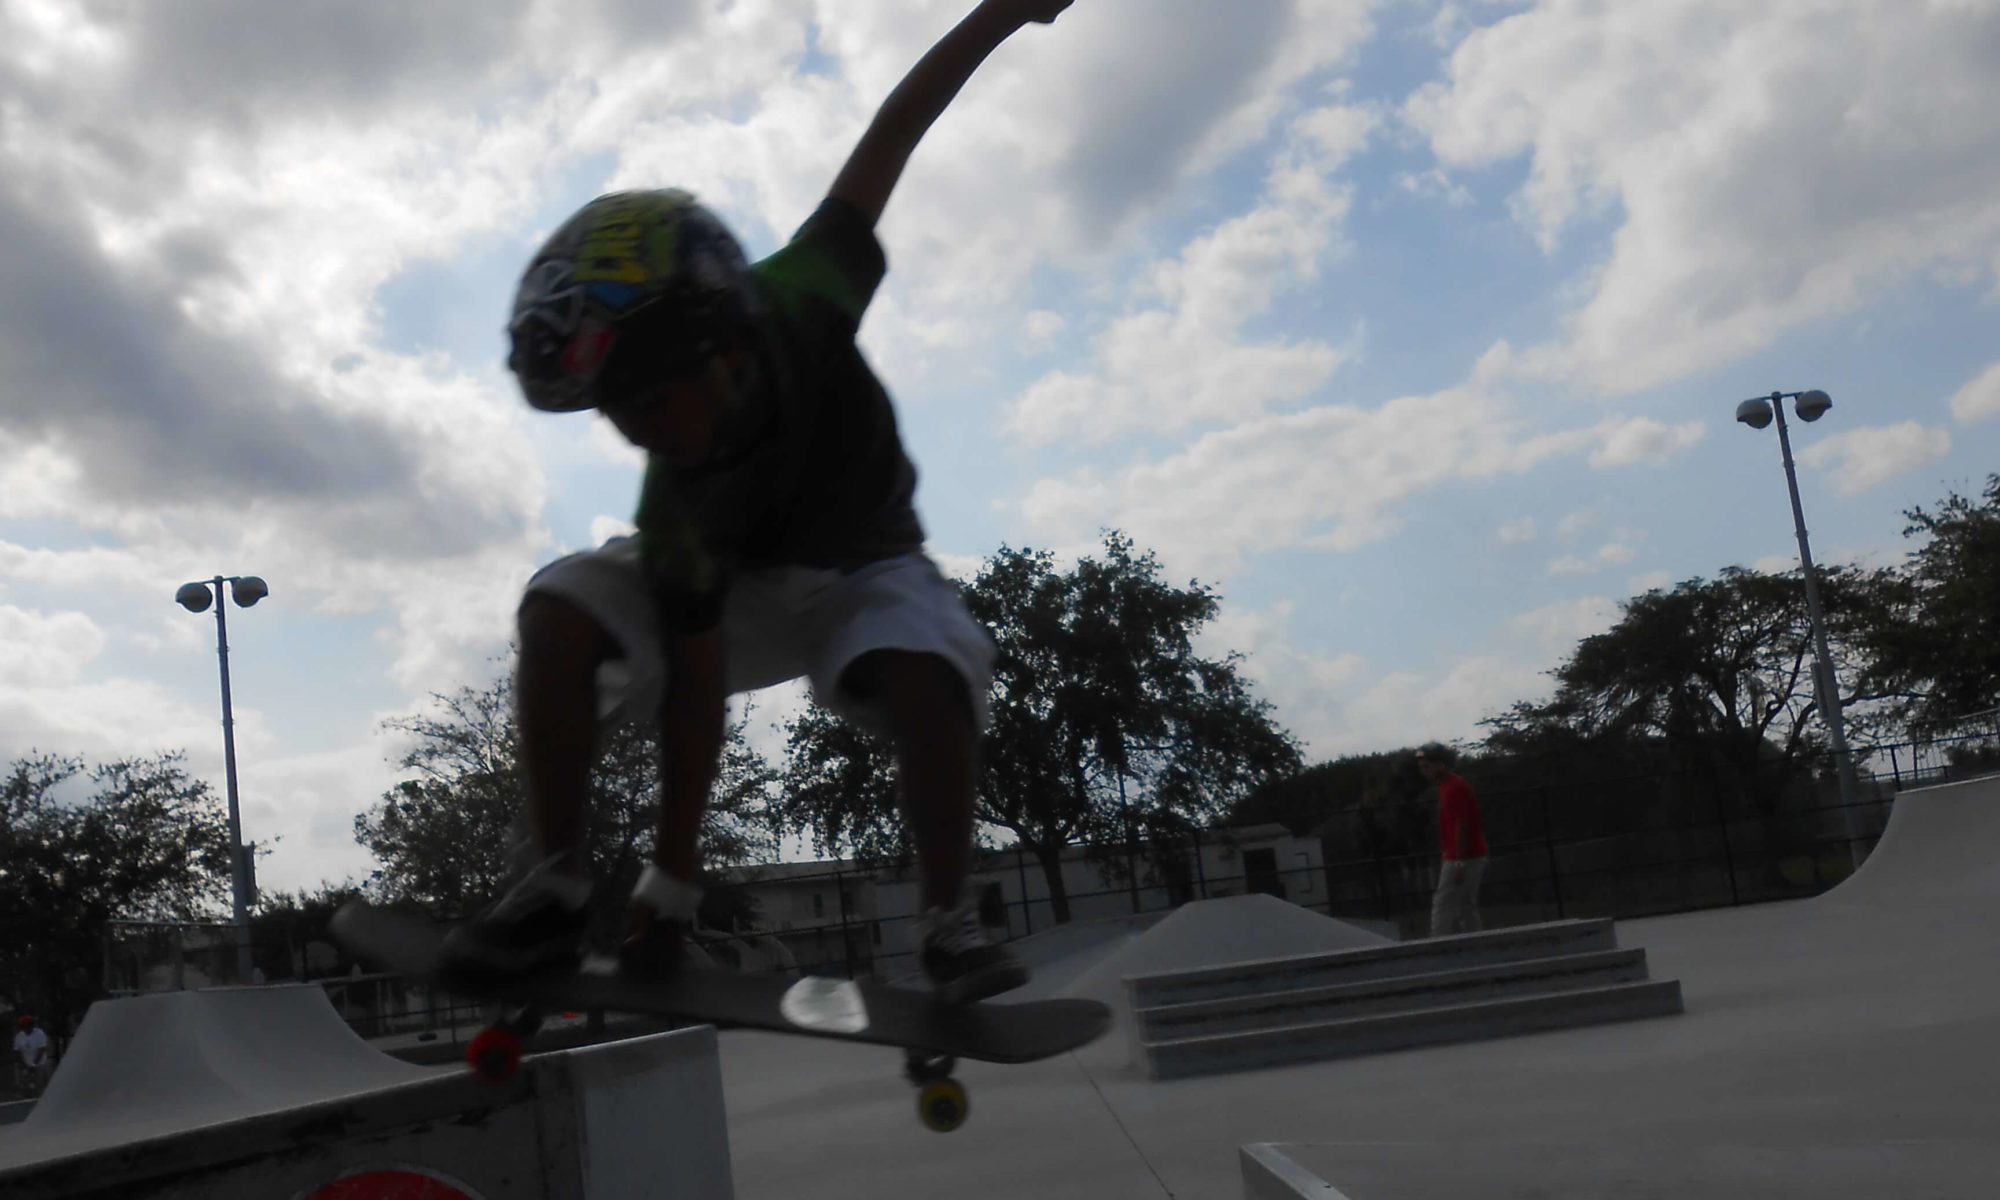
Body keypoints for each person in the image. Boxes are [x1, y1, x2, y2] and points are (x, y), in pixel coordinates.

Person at [442, 0, 1078, 1005]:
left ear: (719, 339)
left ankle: (950, 925)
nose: (637, 433)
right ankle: (554, 888)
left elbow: (893, 133)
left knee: (927, 668)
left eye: (648, 401)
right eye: (611, 414)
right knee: (560, 607)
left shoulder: (806, 292)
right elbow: (695, 702)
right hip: (733, 588)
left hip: (866, 571)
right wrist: (672, 880)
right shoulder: (678, 508)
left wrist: (999, 15)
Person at [1417, 744, 1488, 936]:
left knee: (1443, 902)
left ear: (1440, 765)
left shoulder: (1454, 788)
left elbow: (1462, 826)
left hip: (1464, 856)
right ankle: (1477, 943)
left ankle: (1437, 945)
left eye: (1427, 767)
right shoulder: (1447, 787)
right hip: (1469, 854)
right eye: (1422, 767)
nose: (1425, 772)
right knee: (1465, 903)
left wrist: (1458, 861)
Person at [13, 1014, 51, 1095]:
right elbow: (17, 1052)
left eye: (28, 1026)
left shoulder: (39, 1033)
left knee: (42, 1088)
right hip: (26, 1066)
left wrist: (34, 1064)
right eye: (24, 1026)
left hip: (40, 1065)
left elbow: (42, 1049)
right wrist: (24, 1066)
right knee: (27, 1089)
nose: (26, 1028)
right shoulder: (19, 1036)